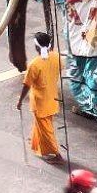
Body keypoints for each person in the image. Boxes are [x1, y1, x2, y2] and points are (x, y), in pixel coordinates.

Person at [16, 31, 64, 164]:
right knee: (43, 125)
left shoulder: (35, 64)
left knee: (46, 130)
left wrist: (20, 101)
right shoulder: (56, 57)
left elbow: (26, 85)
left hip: (40, 102)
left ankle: (56, 154)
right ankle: (36, 143)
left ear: (37, 47)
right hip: (52, 98)